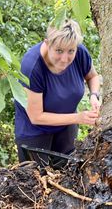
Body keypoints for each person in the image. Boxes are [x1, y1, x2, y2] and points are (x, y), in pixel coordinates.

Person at [14, 19, 100, 166]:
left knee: (67, 174)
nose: (65, 59)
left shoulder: (80, 52)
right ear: (47, 43)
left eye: (71, 51)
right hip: (34, 132)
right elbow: (36, 117)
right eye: (59, 51)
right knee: (36, 181)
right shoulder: (32, 66)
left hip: (67, 127)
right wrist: (78, 117)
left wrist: (94, 95)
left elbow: (92, 76)